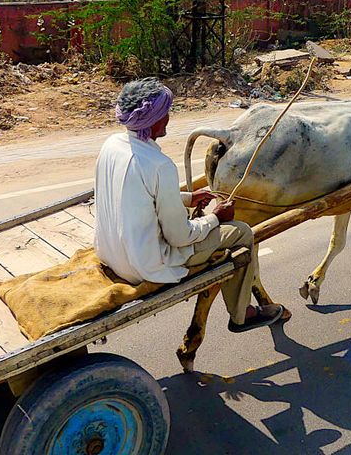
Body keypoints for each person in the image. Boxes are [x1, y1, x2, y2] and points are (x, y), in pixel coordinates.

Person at [94, 78, 284, 332]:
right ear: (156, 119)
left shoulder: (111, 145)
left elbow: (135, 196)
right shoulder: (160, 165)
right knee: (242, 232)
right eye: (166, 112)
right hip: (144, 266)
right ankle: (243, 314)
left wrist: (187, 198)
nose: (169, 117)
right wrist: (216, 216)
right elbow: (180, 237)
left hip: (110, 253)